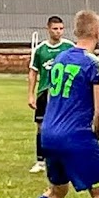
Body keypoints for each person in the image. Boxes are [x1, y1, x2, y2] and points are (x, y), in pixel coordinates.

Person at [7, 10, 99, 198]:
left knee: (56, 191)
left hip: (50, 134)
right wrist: (94, 137)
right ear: (98, 33)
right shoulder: (93, 65)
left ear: (75, 32)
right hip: (76, 136)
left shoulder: (61, 58)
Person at [28, 16, 74, 173]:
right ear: (48, 29)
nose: (58, 32)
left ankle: (64, 159)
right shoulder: (40, 49)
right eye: (55, 29)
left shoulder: (69, 47)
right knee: (41, 127)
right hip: (44, 92)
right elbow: (33, 72)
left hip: (62, 94)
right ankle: (40, 161)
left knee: (64, 125)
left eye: (61, 28)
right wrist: (31, 95)